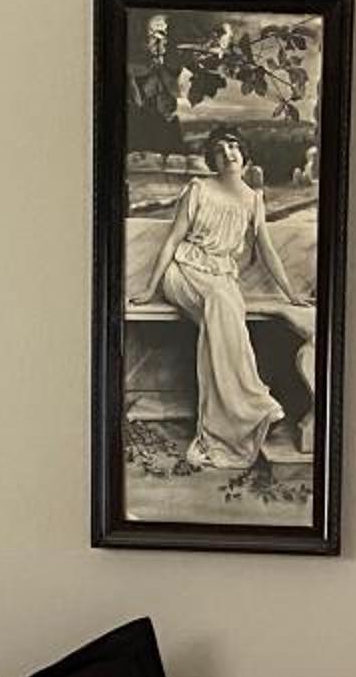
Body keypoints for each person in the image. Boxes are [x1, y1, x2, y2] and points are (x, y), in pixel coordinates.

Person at [132, 130, 317, 467]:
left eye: (233, 146)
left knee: (225, 310)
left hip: (222, 277)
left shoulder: (253, 199)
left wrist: (291, 293)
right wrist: (150, 288)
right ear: (212, 160)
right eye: (219, 150)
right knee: (221, 303)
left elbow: (267, 251)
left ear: (244, 155)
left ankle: (234, 420)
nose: (228, 153)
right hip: (184, 271)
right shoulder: (199, 189)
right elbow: (173, 240)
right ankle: (254, 401)